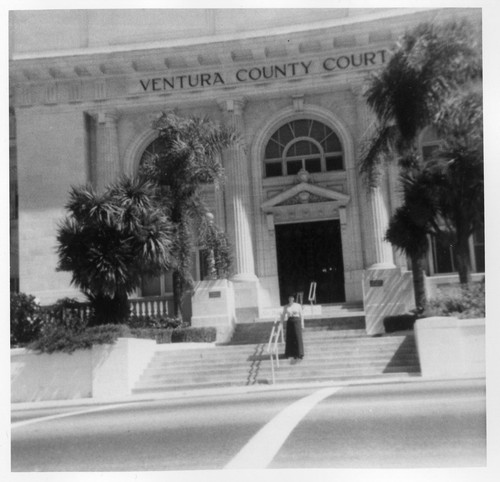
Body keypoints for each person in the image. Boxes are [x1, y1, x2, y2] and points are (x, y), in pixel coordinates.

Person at [281, 295, 304, 361]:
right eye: (289, 298)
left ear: (293, 298)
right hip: (290, 322)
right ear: (288, 299)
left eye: (292, 298)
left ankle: (299, 354)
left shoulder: (298, 305)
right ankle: (290, 353)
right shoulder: (286, 306)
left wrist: (302, 324)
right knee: (290, 338)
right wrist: (281, 323)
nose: (290, 299)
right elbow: (283, 315)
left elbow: (301, 315)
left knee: (298, 337)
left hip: (297, 322)